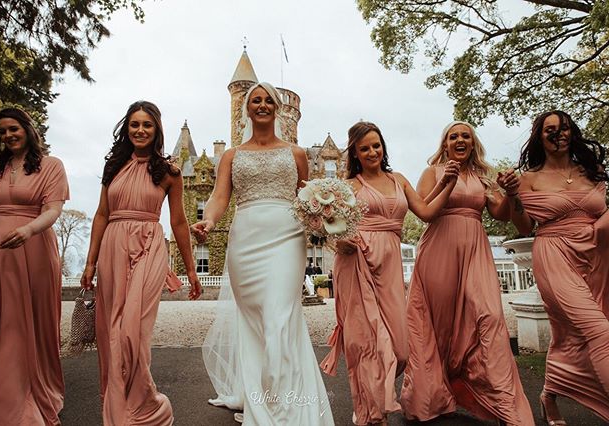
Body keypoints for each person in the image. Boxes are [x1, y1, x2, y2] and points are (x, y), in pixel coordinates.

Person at [194, 82, 334, 425]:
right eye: (255, 100)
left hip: (287, 237)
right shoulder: (232, 155)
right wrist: (208, 222)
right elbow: (219, 198)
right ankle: (262, 402)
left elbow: (308, 197)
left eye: (267, 100)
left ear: (277, 107)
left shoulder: (297, 153)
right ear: (247, 108)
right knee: (256, 323)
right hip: (246, 240)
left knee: (279, 317)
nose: (261, 105)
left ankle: (286, 407)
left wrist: (326, 217)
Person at [320, 121, 460, 426]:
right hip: (356, 262)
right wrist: (337, 241)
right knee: (366, 343)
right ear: (355, 154)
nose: (372, 151)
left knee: (400, 349)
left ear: (383, 147)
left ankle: (372, 401)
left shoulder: (398, 179)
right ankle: (372, 412)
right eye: (364, 148)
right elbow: (329, 224)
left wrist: (448, 183)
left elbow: (426, 212)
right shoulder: (349, 187)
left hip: (390, 264)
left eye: (376, 145)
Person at [400, 121, 534, 425]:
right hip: (439, 251)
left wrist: (512, 195)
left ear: (473, 144)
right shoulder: (432, 171)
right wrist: (445, 181)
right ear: (445, 144)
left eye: (466, 136)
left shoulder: (481, 178)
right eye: (453, 136)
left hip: (475, 252)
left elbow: (501, 215)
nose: (460, 140)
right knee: (438, 323)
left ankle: (503, 403)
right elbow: (423, 210)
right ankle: (432, 396)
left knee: (489, 317)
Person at [80, 101, 201, 425]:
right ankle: (124, 407)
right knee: (111, 334)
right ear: (127, 128)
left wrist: (191, 270)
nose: (140, 130)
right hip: (113, 248)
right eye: (134, 124)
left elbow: (178, 223)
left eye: (147, 124)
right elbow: (102, 214)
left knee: (132, 332)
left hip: (149, 247)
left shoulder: (169, 172)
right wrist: (90, 262)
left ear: (157, 129)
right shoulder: (113, 166)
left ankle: (146, 409)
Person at [499, 110, 609, 424]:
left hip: (594, 256)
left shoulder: (592, 171)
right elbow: (522, 227)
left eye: (564, 129)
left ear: (572, 133)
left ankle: (549, 393)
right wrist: (511, 194)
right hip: (554, 256)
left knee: (570, 336)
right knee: (599, 331)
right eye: (550, 130)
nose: (558, 134)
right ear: (540, 137)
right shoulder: (529, 179)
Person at [0, 107, 69, 424]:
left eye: (13, 128)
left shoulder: (51, 166)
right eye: (2, 131)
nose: (8, 135)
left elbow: (53, 210)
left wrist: (28, 229)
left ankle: (25, 390)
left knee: (25, 323)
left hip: (34, 248)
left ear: (27, 128)